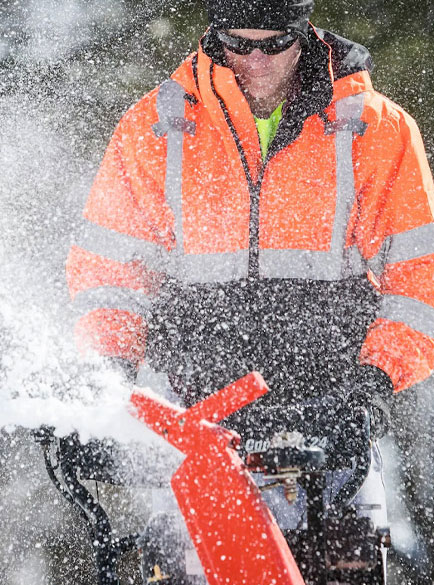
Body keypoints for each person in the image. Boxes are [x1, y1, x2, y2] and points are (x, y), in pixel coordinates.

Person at [66, 0, 434, 581]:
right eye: (239, 43)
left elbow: (419, 280)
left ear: (305, 31)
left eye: (274, 43)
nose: (255, 61)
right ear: (214, 33)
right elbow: (108, 276)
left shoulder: (374, 129)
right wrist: (106, 382)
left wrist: (372, 388)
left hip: (331, 417)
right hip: (198, 428)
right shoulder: (158, 126)